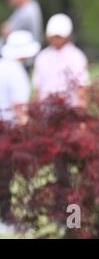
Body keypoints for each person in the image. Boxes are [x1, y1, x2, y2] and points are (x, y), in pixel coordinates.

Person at [0, 30, 40, 233]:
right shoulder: (16, 72)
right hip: (9, 130)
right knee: (9, 175)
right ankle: (8, 218)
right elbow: (19, 108)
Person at [32, 13, 90, 108]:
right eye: (53, 37)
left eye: (59, 37)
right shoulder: (42, 57)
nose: (56, 40)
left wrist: (82, 112)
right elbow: (38, 89)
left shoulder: (76, 56)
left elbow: (81, 87)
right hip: (46, 110)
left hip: (69, 110)